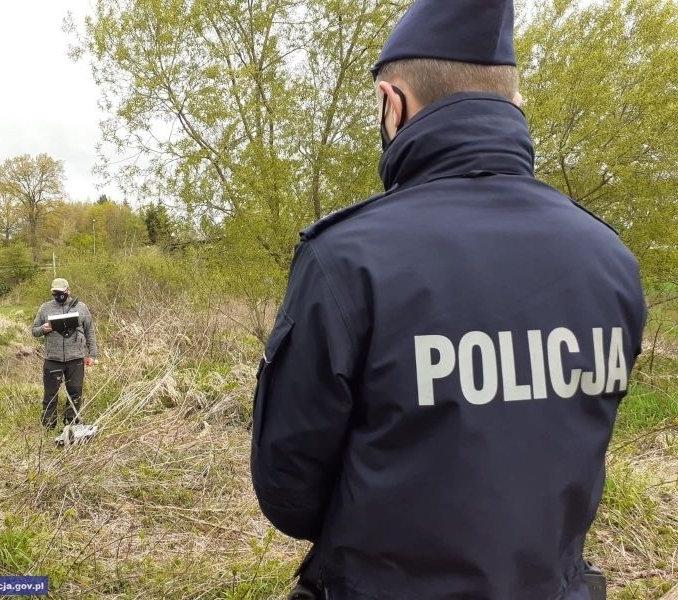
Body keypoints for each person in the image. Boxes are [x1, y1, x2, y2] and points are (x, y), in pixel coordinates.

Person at [249, 1, 647, 598]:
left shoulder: (348, 257)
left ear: (392, 103)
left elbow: (289, 489)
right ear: (515, 107)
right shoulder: (609, 256)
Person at [31, 278, 98, 429]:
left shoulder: (81, 308)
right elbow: (34, 331)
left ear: (68, 290)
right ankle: (48, 427)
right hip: (52, 359)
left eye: (61, 292)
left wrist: (92, 355)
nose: (58, 295)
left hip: (76, 359)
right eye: (55, 292)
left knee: (75, 393)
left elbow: (90, 331)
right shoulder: (45, 308)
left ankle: (72, 425)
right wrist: (44, 329)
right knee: (50, 395)